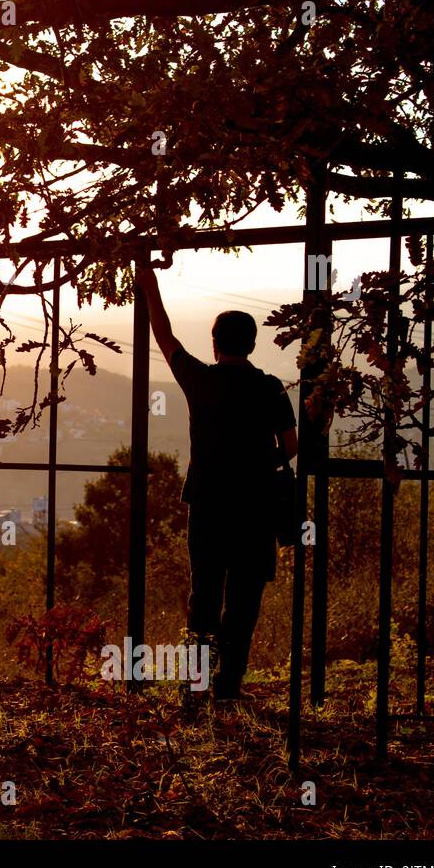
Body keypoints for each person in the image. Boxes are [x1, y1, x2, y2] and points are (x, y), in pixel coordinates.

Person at [135, 259, 298, 700]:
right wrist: (263, 459)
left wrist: (150, 287)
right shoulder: (271, 387)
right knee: (244, 597)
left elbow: (164, 337)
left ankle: (197, 679)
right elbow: (292, 444)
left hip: (208, 502)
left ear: (214, 345)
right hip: (257, 506)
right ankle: (230, 683)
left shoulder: (201, 380)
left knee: (204, 593)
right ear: (252, 344)